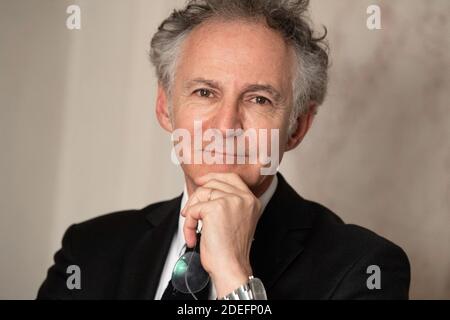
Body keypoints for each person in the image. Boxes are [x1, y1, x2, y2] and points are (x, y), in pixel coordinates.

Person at [37, 0, 410, 300]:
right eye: (204, 92)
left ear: (297, 127)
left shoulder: (363, 270)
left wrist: (236, 279)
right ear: (166, 108)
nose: (226, 126)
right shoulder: (89, 249)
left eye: (259, 99)